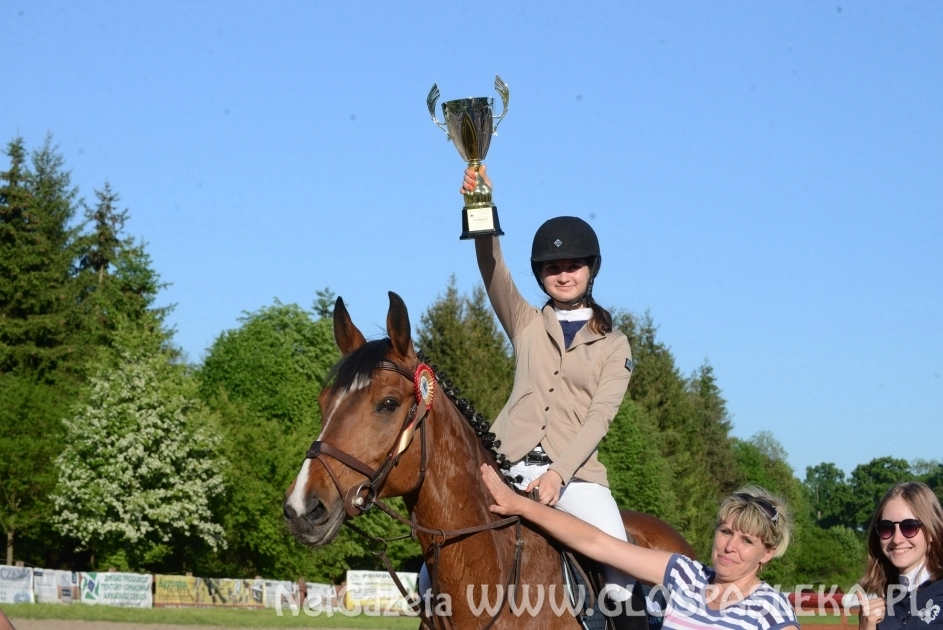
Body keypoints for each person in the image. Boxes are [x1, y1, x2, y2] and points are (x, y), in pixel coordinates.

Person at [464, 164, 636, 606]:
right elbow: (492, 266)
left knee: (623, 580)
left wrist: (559, 474)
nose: (563, 275)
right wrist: (479, 202)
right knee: (432, 575)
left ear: (590, 270)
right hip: (502, 464)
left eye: (572, 266)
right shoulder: (523, 322)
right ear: (541, 274)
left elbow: (600, 418)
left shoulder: (615, 344)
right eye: (553, 267)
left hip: (576, 477)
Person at [482, 464, 798, 630]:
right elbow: (597, 542)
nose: (730, 546)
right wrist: (522, 506)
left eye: (747, 541)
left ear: (767, 553)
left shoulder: (769, 609)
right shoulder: (685, 575)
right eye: (726, 532)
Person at [857, 482, 943, 630]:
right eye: (886, 528)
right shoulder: (877, 613)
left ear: (931, 531)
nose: (897, 539)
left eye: (909, 526)